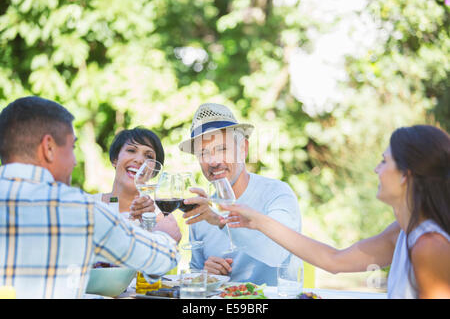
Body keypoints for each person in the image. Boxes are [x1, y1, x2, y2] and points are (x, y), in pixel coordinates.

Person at [222, 125, 450, 299]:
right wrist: (258, 221)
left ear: (404, 175)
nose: (376, 169)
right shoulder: (402, 232)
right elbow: (333, 260)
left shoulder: (429, 245)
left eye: (384, 161)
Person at [0, 96, 180, 298]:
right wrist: (164, 236)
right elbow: (163, 257)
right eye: (72, 147)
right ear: (48, 148)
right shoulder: (78, 208)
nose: (75, 162)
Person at [178, 103, 302, 286]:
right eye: (203, 153)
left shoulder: (277, 194)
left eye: (222, 149)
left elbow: (275, 253)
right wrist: (206, 274)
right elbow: (195, 277)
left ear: (243, 149)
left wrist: (221, 221)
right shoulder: (202, 211)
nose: (213, 161)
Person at [92, 127, 166, 223]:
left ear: (154, 171)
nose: (139, 160)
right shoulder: (88, 205)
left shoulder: (162, 218)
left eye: (149, 156)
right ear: (115, 159)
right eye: (131, 150)